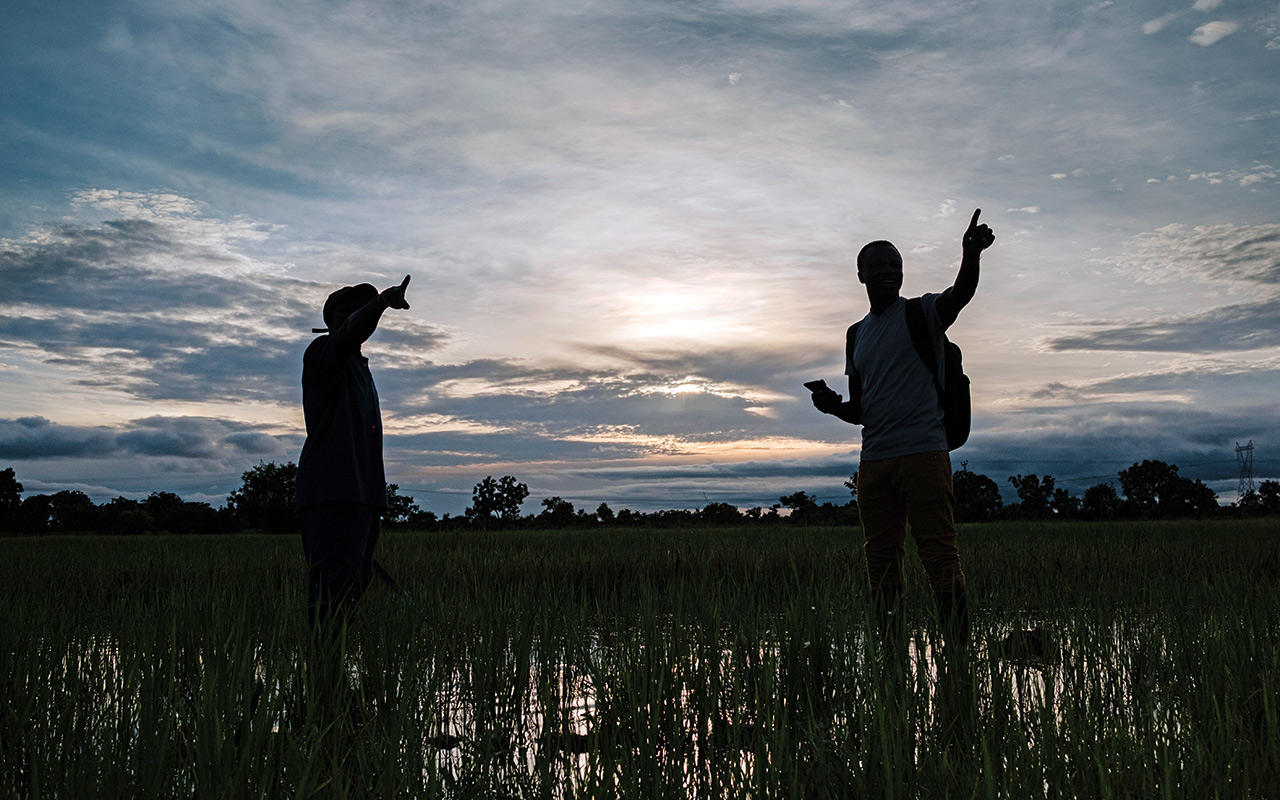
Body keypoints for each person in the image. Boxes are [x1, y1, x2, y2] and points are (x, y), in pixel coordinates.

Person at [811, 210, 994, 654]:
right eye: (878, 266)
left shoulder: (922, 312)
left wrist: (971, 255)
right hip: (873, 463)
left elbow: (961, 294)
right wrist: (831, 405)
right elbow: (862, 409)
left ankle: (959, 657)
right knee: (880, 560)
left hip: (924, 455)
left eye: (895, 265)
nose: (888, 272)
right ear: (860, 275)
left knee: (939, 556)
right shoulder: (856, 335)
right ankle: (888, 656)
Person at [296, 275, 411, 634]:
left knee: (350, 590)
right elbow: (348, 334)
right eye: (355, 310)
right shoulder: (322, 352)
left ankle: (333, 681)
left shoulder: (361, 369)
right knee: (330, 597)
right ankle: (321, 678)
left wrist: (376, 500)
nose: (363, 315)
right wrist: (380, 303)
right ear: (337, 321)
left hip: (363, 498)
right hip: (332, 493)